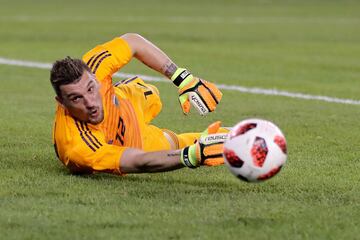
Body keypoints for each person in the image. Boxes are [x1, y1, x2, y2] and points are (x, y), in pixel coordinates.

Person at [50, 33, 227, 175]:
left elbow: (134, 42)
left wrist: (183, 79)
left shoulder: (94, 66)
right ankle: (241, 137)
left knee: (154, 96)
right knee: (176, 144)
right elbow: (137, 160)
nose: (90, 103)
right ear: (62, 103)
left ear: (95, 79)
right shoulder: (77, 146)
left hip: (128, 99)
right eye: (76, 98)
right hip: (131, 141)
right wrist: (191, 156)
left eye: (90, 89)